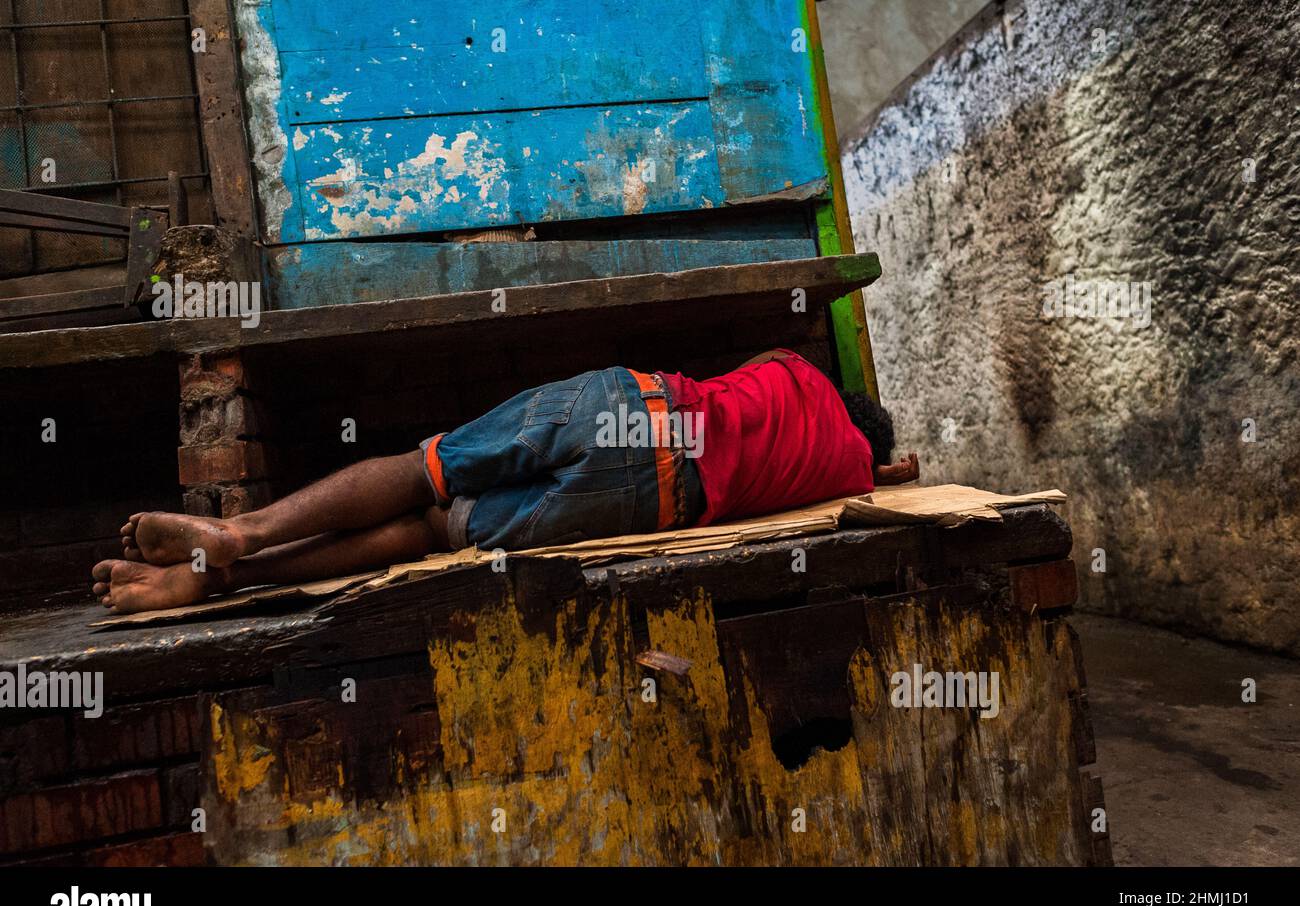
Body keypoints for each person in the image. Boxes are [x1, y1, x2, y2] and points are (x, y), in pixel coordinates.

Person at [92, 348, 919, 613]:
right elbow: (874, 480)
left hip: (631, 401)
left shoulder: (796, 373)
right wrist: (882, 468)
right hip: (648, 497)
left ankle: (238, 535)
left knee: (423, 470)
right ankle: (236, 579)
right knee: (428, 535)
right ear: (870, 454)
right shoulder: (851, 472)